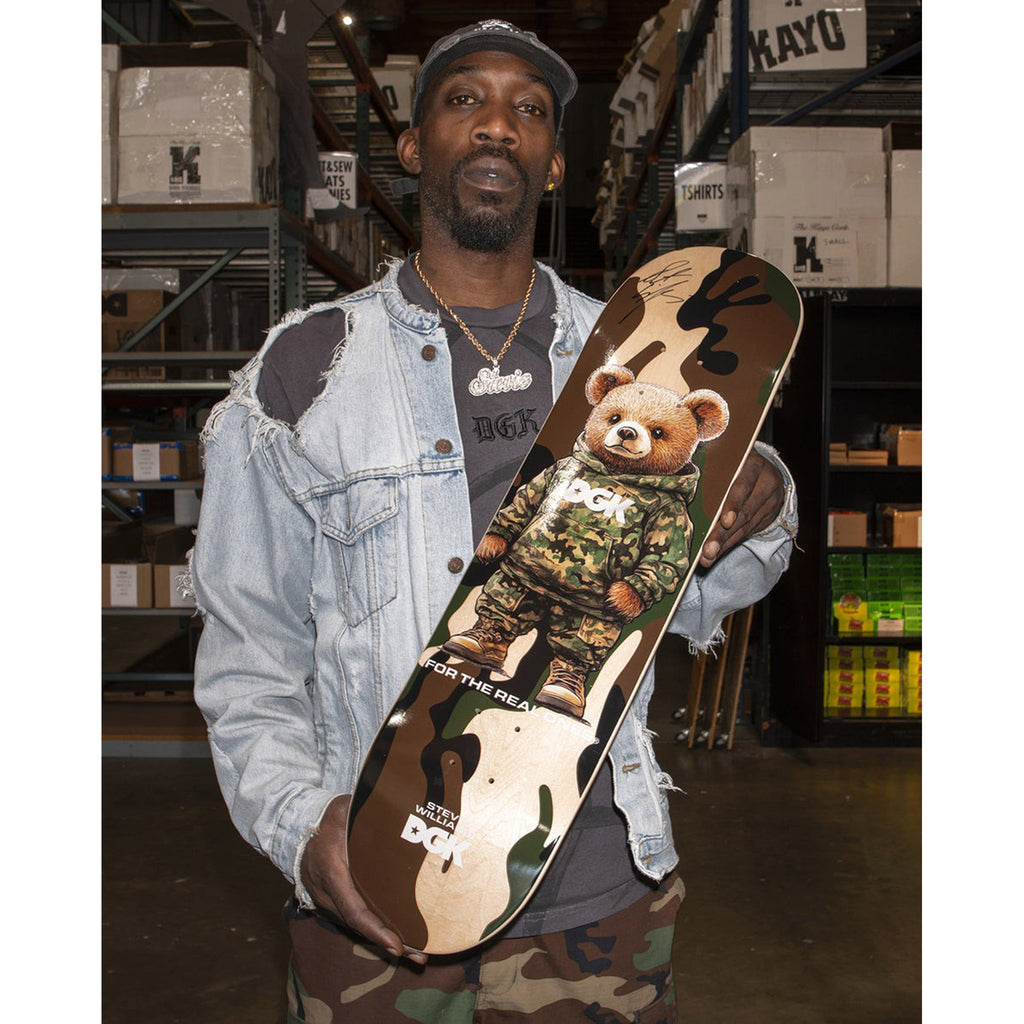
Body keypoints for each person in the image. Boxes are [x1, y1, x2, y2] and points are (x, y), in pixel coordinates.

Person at [188, 19, 798, 1023]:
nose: (496, 125)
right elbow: (247, 651)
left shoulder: (637, 356)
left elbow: (699, 602)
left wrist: (761, 494)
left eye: (529, 110)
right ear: (413, 145)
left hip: (598, 903)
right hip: (382, 896)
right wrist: (300, 825)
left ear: (553, 163)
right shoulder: (305, 374)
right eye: (464, 99)